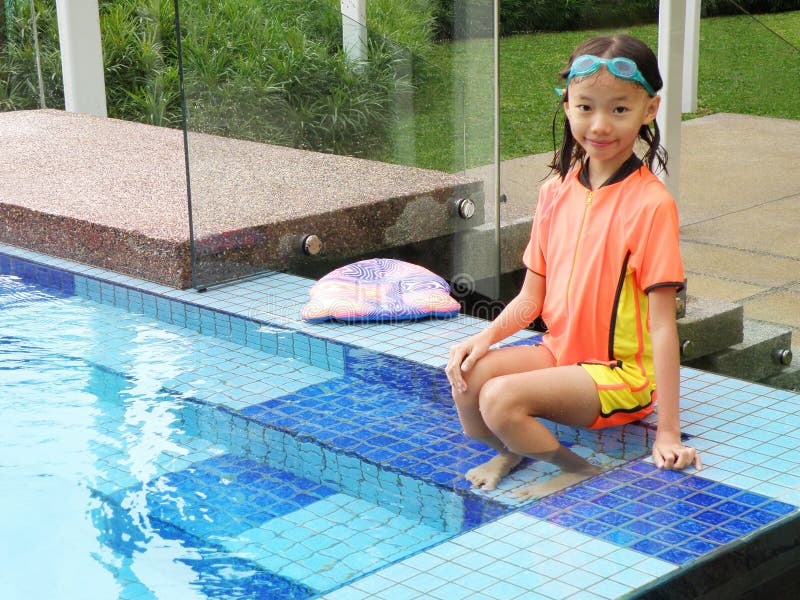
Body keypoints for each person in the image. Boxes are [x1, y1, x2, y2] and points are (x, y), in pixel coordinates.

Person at [445, 34, 701, 499]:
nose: (600, 125)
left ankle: (578, 469)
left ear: (649, 110)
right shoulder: (555, 192)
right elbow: (530, 299)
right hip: (561, 351)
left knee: (500, 398)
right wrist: (482, 339)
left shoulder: (650, 206)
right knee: (467, 379)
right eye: (586, 107)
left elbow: (663, 327)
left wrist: (669, 432)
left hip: (621, 374)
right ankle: (514, 447)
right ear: (567, 106)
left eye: (619, 110)